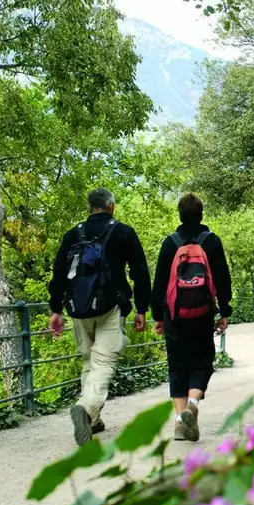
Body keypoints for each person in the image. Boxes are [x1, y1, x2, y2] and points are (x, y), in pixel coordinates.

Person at [48, 188, 151, 446]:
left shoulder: (74, 233)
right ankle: (85, 407)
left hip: (78, 308)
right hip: (110, 307)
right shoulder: (123, 232)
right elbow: (140, 271)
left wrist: (56, 309)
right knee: (104, 362)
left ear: (90, 207)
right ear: (111, 207)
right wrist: (141, 308)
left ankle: (93, 421)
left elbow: (59, 271)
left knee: (89, 361)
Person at [151, 193, 232, 442]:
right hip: (202, 313)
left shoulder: (170, 243)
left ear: (179, 215)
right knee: (202, 362)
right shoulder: (211, 241)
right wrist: (225, 310)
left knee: (177, 366)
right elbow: (222, 278)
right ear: (201, 214)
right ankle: (192, 406)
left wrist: (158, 315)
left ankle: (178, 424)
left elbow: (160, 282)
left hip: (174, 314)